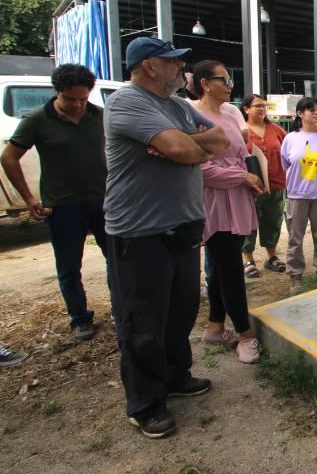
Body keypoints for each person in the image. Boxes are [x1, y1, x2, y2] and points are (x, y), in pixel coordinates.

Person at [104, 37, 229, 439]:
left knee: (180, 308)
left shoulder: (175, 105)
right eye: (172, 62)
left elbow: (220, 140)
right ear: (148, 67)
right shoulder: (127, 102)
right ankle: (145, 404)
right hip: (141, 232)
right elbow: (183, 149)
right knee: (142, 321)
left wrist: (181, 144)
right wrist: (182, 145)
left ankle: (176, 375)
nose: (181, 69)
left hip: (183, 225)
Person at [1, 64, 109, 341]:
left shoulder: (98, 116)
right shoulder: (37, 120)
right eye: (69, 99)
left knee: (118, 259)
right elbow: (9, 158)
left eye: (83, 99)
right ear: (57, 93)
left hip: (103, 200)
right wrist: (28, 198)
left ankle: (123, 309)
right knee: (70, 266)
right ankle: (80, 318)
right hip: (62, 205)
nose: (76, 105)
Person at [189, 61, 263, 364]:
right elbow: (200, 168)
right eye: (225, 79)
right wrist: (241, 177)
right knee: (231, 269)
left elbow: (243, 153)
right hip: (216, 201)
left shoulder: (231, 114)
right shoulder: (191, 115)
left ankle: (215, 327)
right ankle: (245, 336)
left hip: (238, 196)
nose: (231, 84)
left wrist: (252, 175)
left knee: (222, 267)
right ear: (206, 83)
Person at [280, 97, 317, 288]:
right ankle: (295, 274)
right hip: (297, 195)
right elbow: (286, 164)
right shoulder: (290, 139)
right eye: (311, 110)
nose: (316, 113)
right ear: (300, 113)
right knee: (295, 237)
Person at [240, 93, 287, 277]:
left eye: (264, 106)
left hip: (275, 185)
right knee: (249, 222)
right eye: (257, 106)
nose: (262, 109)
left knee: (273, 221)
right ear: (246, 109)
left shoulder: (275, 129)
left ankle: (272, 256)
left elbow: (287, 151)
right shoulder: (241, 131)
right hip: (249, 187)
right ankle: (248, 259)